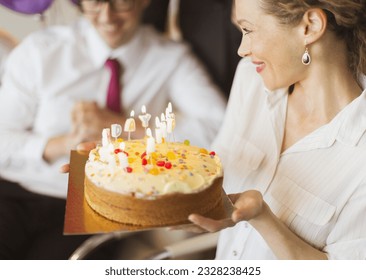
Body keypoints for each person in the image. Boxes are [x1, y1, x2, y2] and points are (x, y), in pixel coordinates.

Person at [0, 0, 226, 259]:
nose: (107, 16)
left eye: (121, 2)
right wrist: (66, 143)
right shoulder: (41, 50)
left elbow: (218, 127)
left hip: (99, 204)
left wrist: (121, 127)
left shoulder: (171, 58)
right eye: (95, 3)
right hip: (18, 190)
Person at [186, 0, 366, 259]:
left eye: (248, 30)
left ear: (310, 26)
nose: (241, 49)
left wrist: (263, 219)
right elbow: (213, 171)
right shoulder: (251, 80)